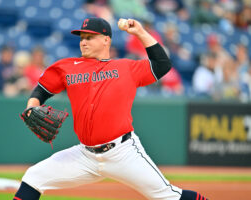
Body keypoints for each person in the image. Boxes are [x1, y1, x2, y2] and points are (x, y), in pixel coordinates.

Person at [13, 17, 208, 200]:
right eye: (82, 38)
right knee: (33, 177)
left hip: (122, 153)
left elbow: (162, 64)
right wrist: (33, 105)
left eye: (90, 37)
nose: (83, 42)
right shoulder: (69, 67)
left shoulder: (127, 68)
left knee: (168, 196)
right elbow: (42, 89)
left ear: (106, 40)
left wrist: (140, 32)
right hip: (84, 155)